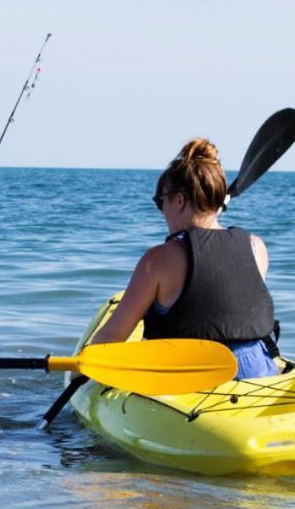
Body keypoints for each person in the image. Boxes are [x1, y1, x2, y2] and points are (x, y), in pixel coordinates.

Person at [90, 137, 281, 379]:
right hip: (257, 370)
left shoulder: (159, 259)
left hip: (186, 373)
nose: (161, 212)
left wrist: (82, 372)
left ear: (179, 200)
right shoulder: (256, 247)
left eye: (160, 202)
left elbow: (112, 336)